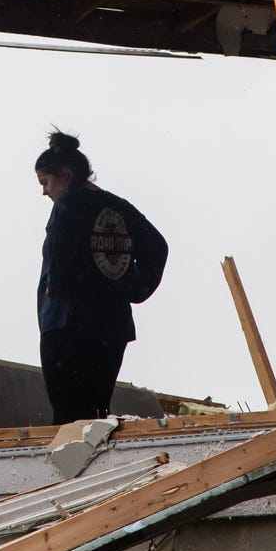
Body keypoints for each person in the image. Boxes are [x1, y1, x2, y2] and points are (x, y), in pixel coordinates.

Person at [33, 130, 168, 423]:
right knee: (96, 416)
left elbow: (58, 268)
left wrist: (62, 295)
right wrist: (130, 287)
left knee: (69, 423)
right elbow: (157, 246)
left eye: (46, 182)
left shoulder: (66, 207)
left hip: (66, 327)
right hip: (111, 329)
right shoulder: (118, 207)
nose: (45, 192)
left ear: (65, 174)